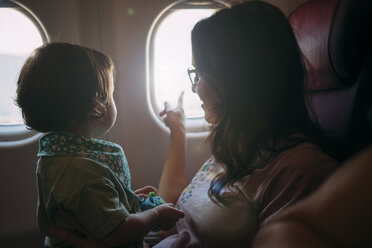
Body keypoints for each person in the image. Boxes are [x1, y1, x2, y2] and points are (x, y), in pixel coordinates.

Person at [48, 2, 339, 247]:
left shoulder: (299, 171)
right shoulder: (239, 147)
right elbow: (180, 215)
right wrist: (178, 131)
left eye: (200, 73)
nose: (195, 87)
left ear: (239, 79)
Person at [15, 42, 184, 248]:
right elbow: (117, 231)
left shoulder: (60, 155)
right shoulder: (79, 171)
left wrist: (126, 199)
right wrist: (156, 215)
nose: (114, 100)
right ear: (97, 105)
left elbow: (90, 207)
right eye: (111, 94)